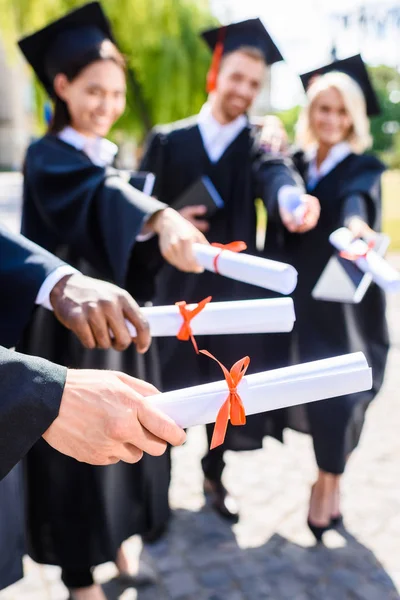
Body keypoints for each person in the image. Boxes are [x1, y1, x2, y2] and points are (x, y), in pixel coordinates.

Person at [18, 4, 207, 598]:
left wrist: (161, 237)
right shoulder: (49, 158)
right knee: (77, 458)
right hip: (67, 336)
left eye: (117, 93)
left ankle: (123, 547)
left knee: (130, 438)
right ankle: (80, 580)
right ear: (62, 85)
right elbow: (96, 198)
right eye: (93, 90)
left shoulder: (109, 161)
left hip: (121, 332)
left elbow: (119, 236)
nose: (106, 105)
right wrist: (155, 215)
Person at [139, 18, 320, 521]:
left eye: (254, 84)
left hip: (234, 297)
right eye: (236, 77)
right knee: (167, 393)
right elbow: (138, 208)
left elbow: (277, 174)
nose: (243, 90)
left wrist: (292, 201)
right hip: (176, 292)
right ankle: (159, 495)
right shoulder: (169, 140)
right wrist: (167, 220)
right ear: (215, 73)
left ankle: (214, 478)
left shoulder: (260, 140)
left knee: (224, 392)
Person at [0, 226, 185, 590]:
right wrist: (30, 389)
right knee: (71, 466)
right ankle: (81, 580)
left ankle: (116, 541)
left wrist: (57, 280)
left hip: (97, 300)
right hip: (55, 337)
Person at [267, 55, 389, 542]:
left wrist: (358, 228)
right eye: (323, 109)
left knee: (344, 397)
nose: (332, 120)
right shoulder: (294, 166)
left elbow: (359, 202)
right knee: (316, 397)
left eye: (342, 112)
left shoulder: (363, 166)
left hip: (346, 308)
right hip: (303, 306)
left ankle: (326, 486)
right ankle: (326, 485)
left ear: (354, 117)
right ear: (311, 112)